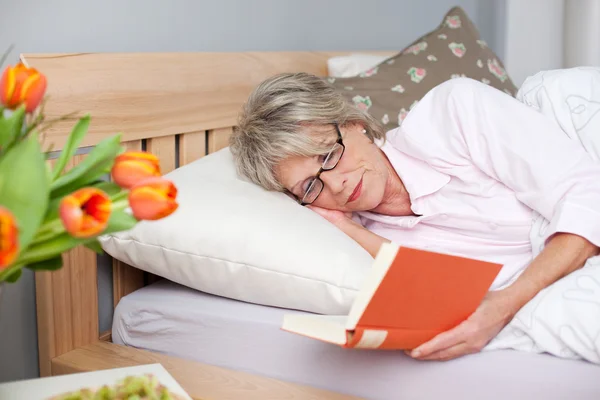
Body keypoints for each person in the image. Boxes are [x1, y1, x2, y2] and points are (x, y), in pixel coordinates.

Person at [229, 73, 600, 361]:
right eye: (310, 186)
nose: (336, 184)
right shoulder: (362, 240)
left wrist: (504, 305)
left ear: (355, 124)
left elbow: (586, 195)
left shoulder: (455, 112)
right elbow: (441, 287)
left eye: (328, 155)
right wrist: (344, 227)